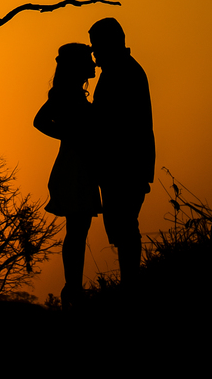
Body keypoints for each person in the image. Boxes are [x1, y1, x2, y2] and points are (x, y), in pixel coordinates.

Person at [33, 42, 101, 306]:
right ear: (77, 65)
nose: (93, 64)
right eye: (87, 59)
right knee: (77, 230)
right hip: (74, 167)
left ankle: (73, 289)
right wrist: (70, 136)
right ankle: (72, 290)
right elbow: (39, 121)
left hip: (78, 165)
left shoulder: (72, 92)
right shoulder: (65, 93)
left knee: (78, 230)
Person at [89, 16, 154, 281]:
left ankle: (130, 285)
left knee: (125, 227)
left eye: (96, 46)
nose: (94, 55)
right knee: (122, 227)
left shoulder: (123, 72)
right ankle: (130, 284)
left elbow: (115, 122)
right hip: (121, 165)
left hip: (125, 165)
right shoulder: (120, 70)